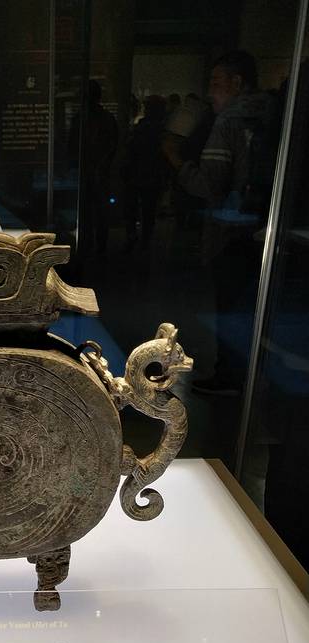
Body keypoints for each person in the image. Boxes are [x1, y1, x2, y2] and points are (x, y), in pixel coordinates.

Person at [162, 50, 279, 396]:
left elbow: (210, 184)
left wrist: (175, 159)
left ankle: (230, 375)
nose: (210, 91)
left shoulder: (228, 121)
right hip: (264, 228)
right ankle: (251, 374)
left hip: (231, 230)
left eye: (216, 82)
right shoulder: (274, 116)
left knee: (230, 307)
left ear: (236, 83)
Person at [69, 79, 118, 257]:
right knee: (90, 211)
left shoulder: (86, 118)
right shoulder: (92, 118)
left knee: (95, 210)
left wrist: (100, 165)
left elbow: (112, 145)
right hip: (91, 171)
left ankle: (94, 245)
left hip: (96, 171)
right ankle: (91, 244)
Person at [120, 95, 168, 253]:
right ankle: (143, 239)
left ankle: (133, 236)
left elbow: (130, 150)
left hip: (137, 175)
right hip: (150, 176)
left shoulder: (140, 128)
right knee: (148, 211)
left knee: (134, 209)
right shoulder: (160, 130)